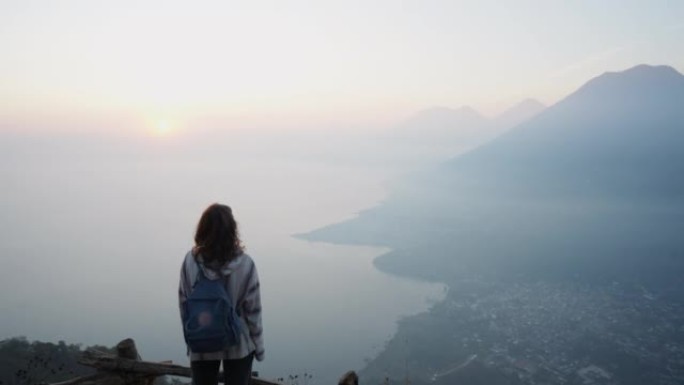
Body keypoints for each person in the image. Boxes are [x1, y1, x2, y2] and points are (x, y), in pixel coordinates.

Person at [179, 203, 264, 385]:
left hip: (201, 341)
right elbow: (253, 312)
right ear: (232, 230)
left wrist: (190, 339)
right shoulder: (246, 265)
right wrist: (259, 347)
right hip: (238, 344)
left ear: (202, 228)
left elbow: (184, 304)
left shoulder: (190, 262)